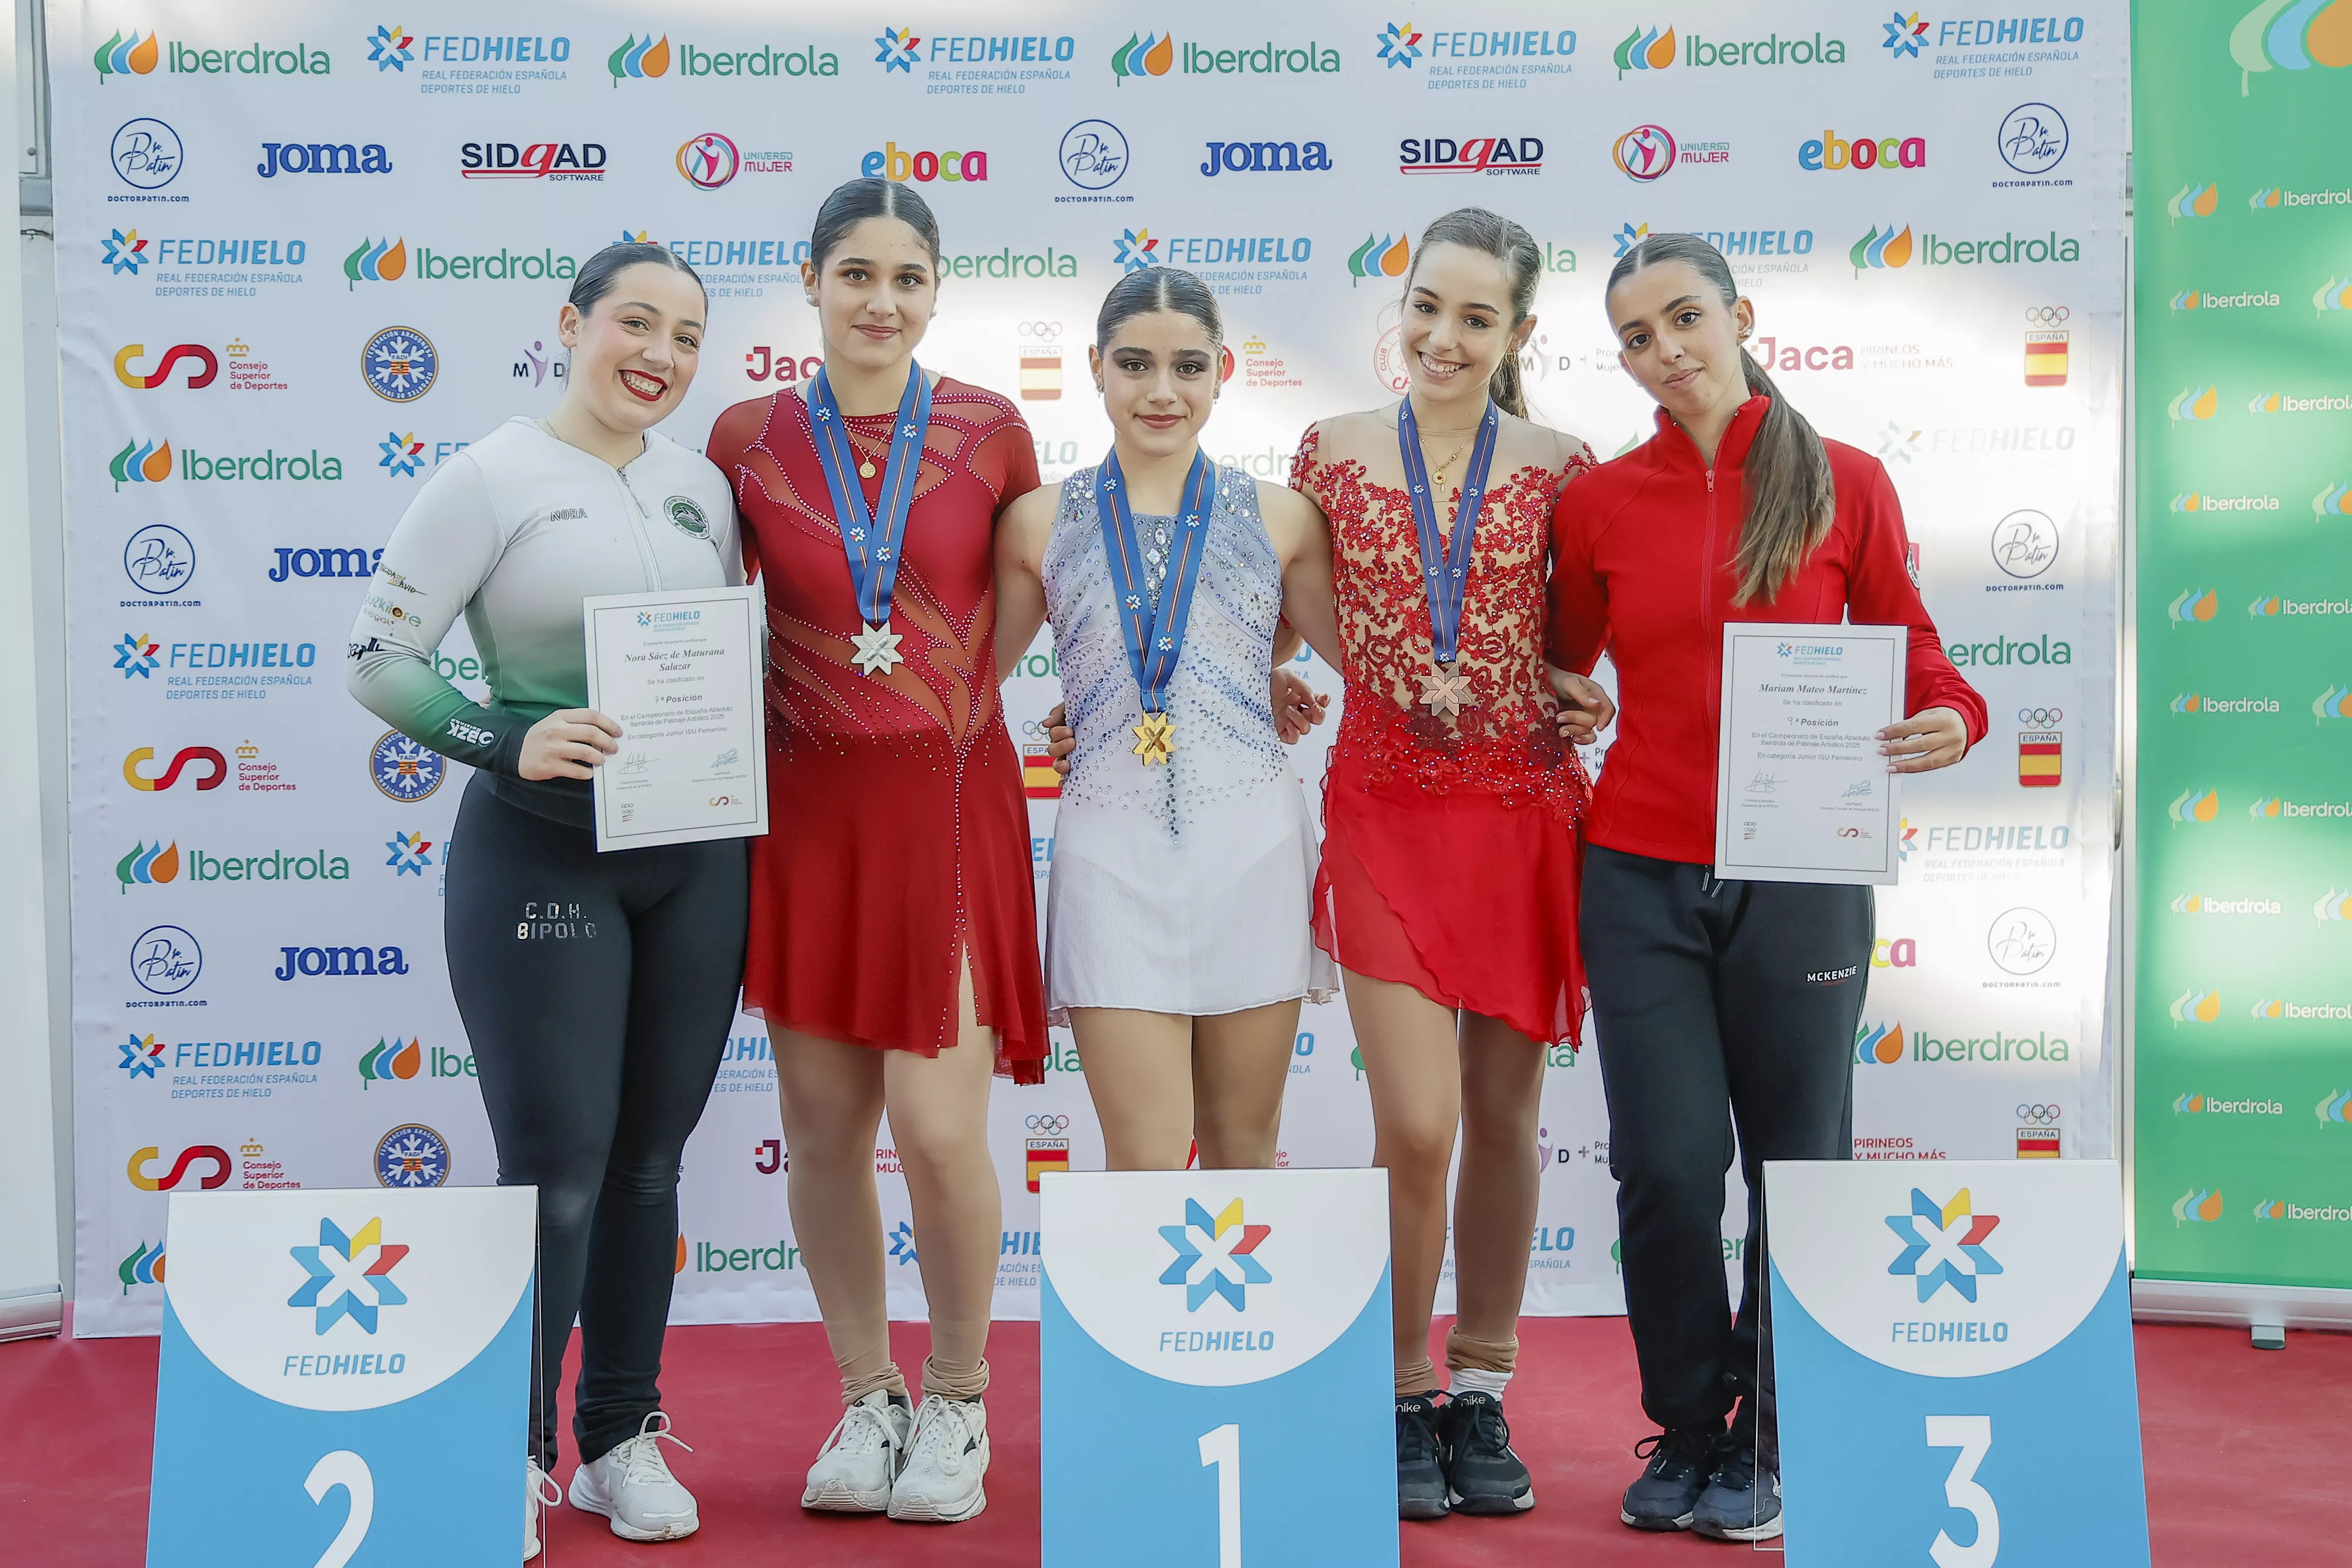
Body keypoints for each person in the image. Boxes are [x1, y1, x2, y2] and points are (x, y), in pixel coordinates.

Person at [1546, 230, 1987, 1543]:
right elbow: (1563, 660)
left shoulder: (1844, 480)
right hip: (1637, 870)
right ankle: (1689, 1427)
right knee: (1665, 1168)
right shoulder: (1597, 502)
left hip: (1802, 868)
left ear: (1741, 318)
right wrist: (1568, 700)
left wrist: (1953, 716)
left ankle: (1773, 1440)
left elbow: (1915, 650)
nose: (1665, 351)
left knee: (1799, 1166)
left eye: (1685, 318)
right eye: (1636, 337)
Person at [346, 241, 742, 1557]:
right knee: (558, 1168)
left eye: (686, 335)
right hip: (540, 852)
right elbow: (379, 659)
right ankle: (509, 1452)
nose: (660, 355)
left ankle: (618, 1438)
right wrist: (502, 739)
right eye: (636, 322)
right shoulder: (489, 476)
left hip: (694, 857)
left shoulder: (699, 487)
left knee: (648, 1162)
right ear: (570, 324)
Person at [703, 178, 1044, 1527]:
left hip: (946, 812)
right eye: (855, 273)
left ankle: (956, 1393)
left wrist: (951, 708)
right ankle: (867, 1394)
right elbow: (691, 618)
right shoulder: (744, 436)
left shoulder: (990, 428)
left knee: (940, 1131)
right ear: (809, 280)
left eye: (907, 277)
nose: (880, 301)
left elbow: (1035, 597)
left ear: (937, 290)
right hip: (806, 816)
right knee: (824, 1130)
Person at [1287, 207, 1611, 1520]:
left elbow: (1577, 641)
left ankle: (1480, 1381)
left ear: (1517, 330)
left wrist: (1582, 693)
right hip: (1382, 808)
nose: (1444, 336)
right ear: (1402, 299)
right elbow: (1285, 604)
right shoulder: (1327, 450)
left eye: (1478, 318)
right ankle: (1398, 1382)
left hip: (1520, 814)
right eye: (1428, 305)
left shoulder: (1562, 464)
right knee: (1415, 1123)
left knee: (1504, 1115)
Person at [995, 267, 1342, 1170]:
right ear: (1095, 367)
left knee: (1243, 1150)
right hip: (1109, 858)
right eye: (1135, 364)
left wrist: (1536, 675)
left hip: (1254, 851)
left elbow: (1370, 663)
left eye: (1188, 366)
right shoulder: (1035, 521)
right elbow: (965, 680)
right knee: (1143, 1158)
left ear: (1223, 370)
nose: (1161, 391)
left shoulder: (1285, 517)